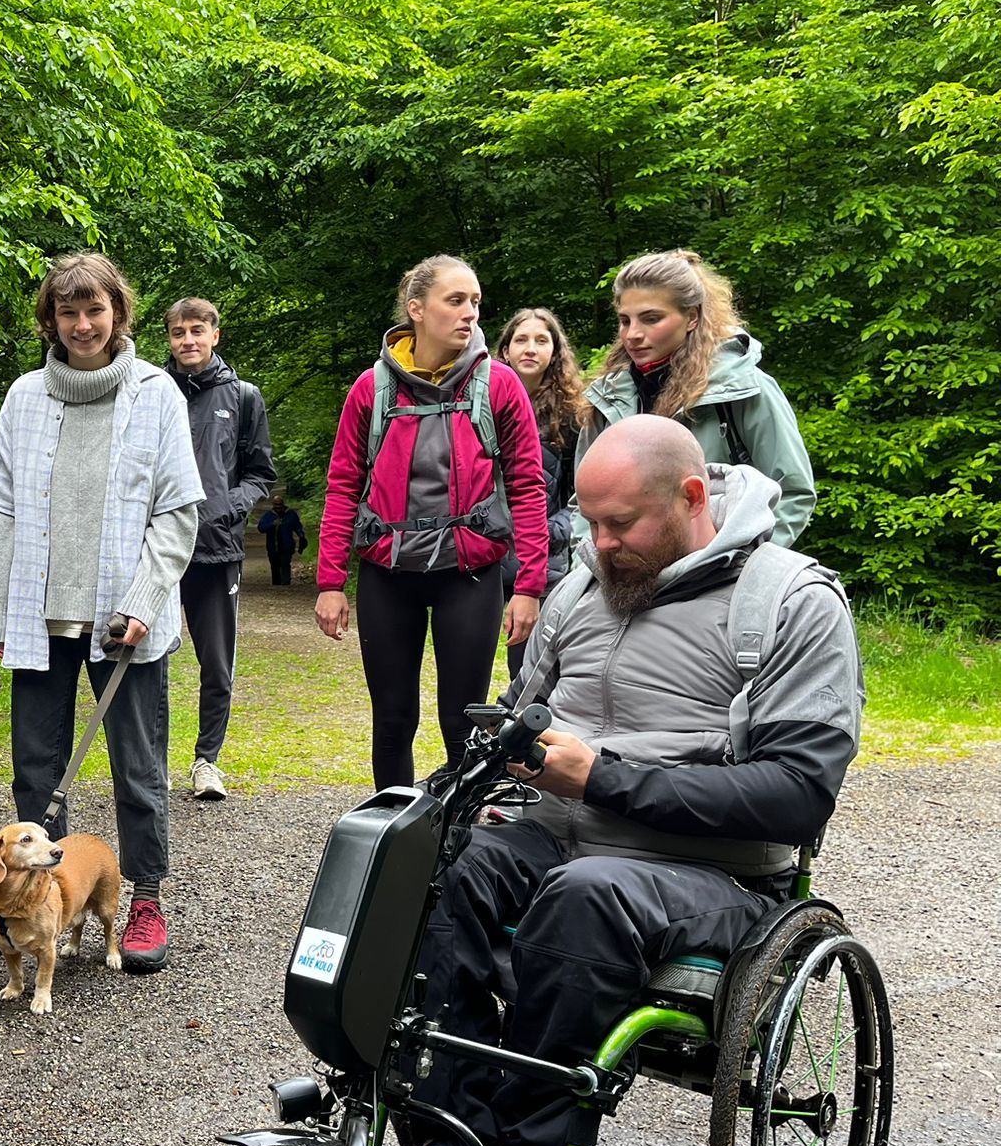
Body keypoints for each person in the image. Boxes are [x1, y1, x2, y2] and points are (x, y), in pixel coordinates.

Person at [394, 416, 863, 1146]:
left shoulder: (791, 601)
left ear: (691, 499)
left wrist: (601, 779)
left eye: (620, 526)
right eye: (588, 523)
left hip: (714, 878)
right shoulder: (579, 589)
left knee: (589, 896)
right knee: (428, 864)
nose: (600, 545)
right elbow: (520, 718)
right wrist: (452, 789)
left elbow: (798, 793)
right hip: (561, 840)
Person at [0, 253, 203, 974]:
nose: (81, 325)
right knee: (36, 772)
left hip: (127, 622)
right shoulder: (23, 397)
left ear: (118, 315)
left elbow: (176, 512)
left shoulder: (157, 394)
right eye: (67, 312)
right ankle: (38, 905)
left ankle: (143, 898)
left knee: (138, 768)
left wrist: (143, 603)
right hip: (40, 618)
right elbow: (2, 511)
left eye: (95, 311)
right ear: (51, 319)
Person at [313, 255, 550, 790]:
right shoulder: (371, 390)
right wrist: (330, 582)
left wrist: (530, 584)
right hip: (386, 576)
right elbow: (344, 486)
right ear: (416, 309)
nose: (470, 313)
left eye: (475, 302)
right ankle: (391, 840)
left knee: (463, 724)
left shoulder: (500, 386)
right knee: (393, 721)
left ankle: (459, 845)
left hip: (468, 577)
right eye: (456, 300)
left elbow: (528, 486)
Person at [576, 249, 814, 546]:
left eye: (651, 319)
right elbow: (583, 505)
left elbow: (793, 493)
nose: (633, 334)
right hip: (624, 577)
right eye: (625, 321)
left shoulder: (742, 390)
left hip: (721, 574)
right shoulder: (607, 399)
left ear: (691, 317)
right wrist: (590, 572)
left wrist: (741, 566)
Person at [163, 297, 276, 802]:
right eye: (177, 332)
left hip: (217, 551)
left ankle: (206, 761)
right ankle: (152, 762)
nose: (187, 340)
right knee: (151, 663)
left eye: (196, 331)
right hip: (158, 552)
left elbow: (260, 475)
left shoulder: (244, 396)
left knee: (217, 663)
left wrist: (227, 507)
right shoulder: (152, 391)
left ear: (215, 335)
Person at [494, 307, 583, 681]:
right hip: (486, 557)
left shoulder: (575, 415)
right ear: (506, 349)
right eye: (521, 339)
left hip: (544, 562)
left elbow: (583, 494)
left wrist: (551, 531)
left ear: (555, 351)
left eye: (541, 340)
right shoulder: (482, 406)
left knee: (531, 673)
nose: (530, 348)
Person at [257, 493, 306, 586]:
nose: (278, 507)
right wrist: (272, 524)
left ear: (282, 504)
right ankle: (276, 585)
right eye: (276, 505)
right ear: (273, 505)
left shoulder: (290, 514)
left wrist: (301, 535)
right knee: (275, 566)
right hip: (273, 546)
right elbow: (261, 528)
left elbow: (297, 526)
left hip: (287, 546)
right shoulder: (269, 516)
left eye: (280, 505)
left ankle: (286, 584)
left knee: (285, 564)